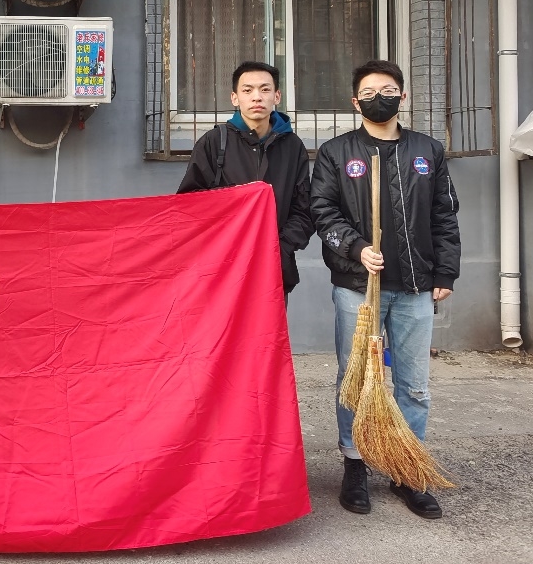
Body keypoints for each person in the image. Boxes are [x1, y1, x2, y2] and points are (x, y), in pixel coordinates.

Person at [311, 59, 460, 520]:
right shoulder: (336, 152)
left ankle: (407, 469)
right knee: (355, 378)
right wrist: (356, 249)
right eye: (371, 92)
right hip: (359, 288)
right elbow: (322, 212)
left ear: (403, 96)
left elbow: (444, 215)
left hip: (415, 287)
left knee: (413, 385)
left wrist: (445, 273)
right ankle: (354, 464)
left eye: (389, 90)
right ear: (356, 102)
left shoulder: (428, 150)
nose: (381, 98)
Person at [177, 61, 315, 295]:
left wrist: (280, 247)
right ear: (235, 98)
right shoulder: (214, 142)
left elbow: (303, 210)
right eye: (248, 90)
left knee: (270, 321)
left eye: (265, 89)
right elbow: (188, 203)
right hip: (221, 268)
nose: (257, 97)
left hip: (274, 269)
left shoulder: (293, 146)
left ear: (277, 96)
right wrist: (236, 205)